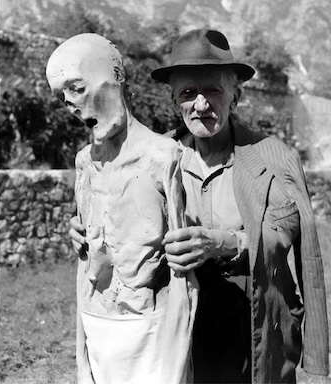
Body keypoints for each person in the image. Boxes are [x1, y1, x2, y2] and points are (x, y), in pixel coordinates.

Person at [71, 29, 329, 383]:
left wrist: (222, 243)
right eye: (189, 93)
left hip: (253, 328)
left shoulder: (273, 157)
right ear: (174, 99)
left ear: (235, 96)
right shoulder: (155, 159)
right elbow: (123, 225)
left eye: (214, 91)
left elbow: (287, 237)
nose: (202, 104)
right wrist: (86, 231)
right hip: (178, 329)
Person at [46, 33, 197, 384]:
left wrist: (176, 365)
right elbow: (86, 261)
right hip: (99, 324)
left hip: (151, 332)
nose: (70, 103)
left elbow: (183, 275)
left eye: (77, 88)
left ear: (114, 77)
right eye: (63, 96)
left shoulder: (163, 157)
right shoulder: (85, 162)